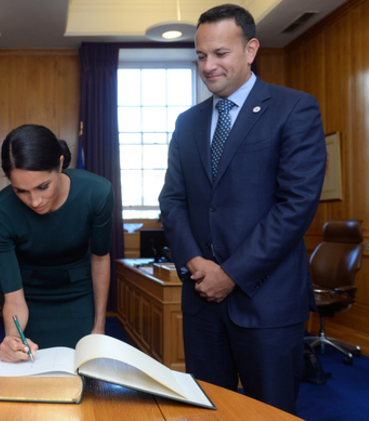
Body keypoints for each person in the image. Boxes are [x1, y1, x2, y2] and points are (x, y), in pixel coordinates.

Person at [158, 4, 327, 415]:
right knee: (206, 409)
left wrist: (231, 274)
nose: (208, 66)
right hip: (201, 299)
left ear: (251, 49)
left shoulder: (294, 108)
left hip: (266, 304)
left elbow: (296, 205)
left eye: (220, 53)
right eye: (200, 56)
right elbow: (172, 200)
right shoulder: (187, 123)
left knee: (269, 412)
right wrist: (195, 261)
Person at [0, 124, 113, 362]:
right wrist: (14, 337)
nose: (35, 201)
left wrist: (99, 327)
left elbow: (100, 258)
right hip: (27, 298)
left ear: (60, 164)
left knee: (81, 374)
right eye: (21, 191)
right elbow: (13, 297)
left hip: (78, 294)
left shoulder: (97, 193)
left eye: (43, 186)